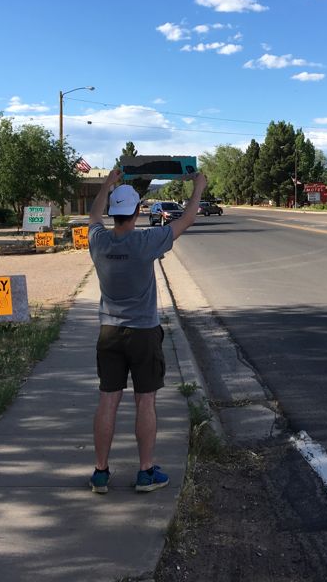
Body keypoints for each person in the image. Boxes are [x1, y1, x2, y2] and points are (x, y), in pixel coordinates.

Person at [86, 168, 208, 494]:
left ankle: (100, 473)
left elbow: (93, 214)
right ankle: (145, 472)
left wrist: (106, 185)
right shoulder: (146, 242)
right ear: (138, 211)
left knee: (107, 401)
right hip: (143, 332)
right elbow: (187, 220)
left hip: (109, 331)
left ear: (114, 213)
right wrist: (198, 187)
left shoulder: (97, 241)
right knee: (145, 402)